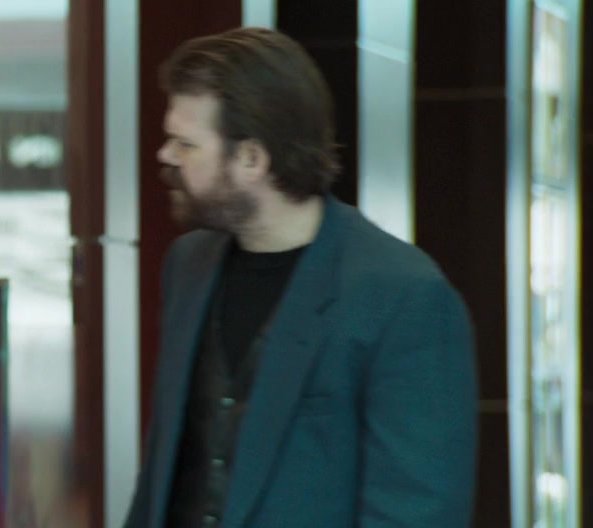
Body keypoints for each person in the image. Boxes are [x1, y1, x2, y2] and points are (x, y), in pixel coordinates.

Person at [124, 27, 477, 527]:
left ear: (252, 159)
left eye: (186, 145)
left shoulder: (404, 296)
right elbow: (169, 473)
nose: (166, 156)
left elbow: (416, 511)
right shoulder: (188, 264)